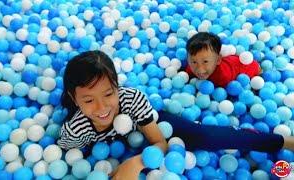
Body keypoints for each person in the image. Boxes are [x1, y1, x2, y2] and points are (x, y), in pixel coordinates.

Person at [57, 50, 293, 179]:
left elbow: (159, 141)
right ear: (74, 97)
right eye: (88, 100)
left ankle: (282, 141)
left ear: (118, 88)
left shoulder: (131, 99)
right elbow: (71, 160)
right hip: (121, 149)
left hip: (152, 126)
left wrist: (136, 163)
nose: (101, 107)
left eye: (108, 94)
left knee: (207, 137)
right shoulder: (75, 131)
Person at [185, 32, 261, 87]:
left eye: (205, 62)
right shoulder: (190, 68)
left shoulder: (223, 77)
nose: (199, 69)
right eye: (194, 62)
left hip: (248, 66)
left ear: (218, 60)